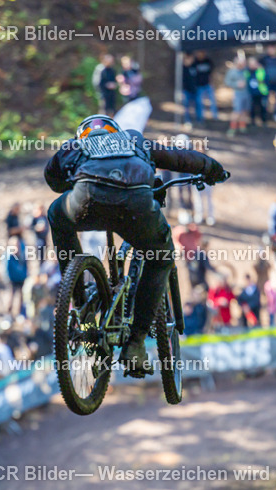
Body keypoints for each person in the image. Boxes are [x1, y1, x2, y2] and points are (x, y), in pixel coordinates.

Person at [45, 114, 227, 377]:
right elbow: (180, 158)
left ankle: (79, 297)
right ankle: (136, 343)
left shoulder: (75, 146)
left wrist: (71, 180)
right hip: (135, 206)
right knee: (161, 258)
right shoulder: (133, 139)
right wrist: (214, 170)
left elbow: (52, 179)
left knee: (56, 216)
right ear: (114, 130)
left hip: (85, 201)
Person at [225, 56, 249, 137]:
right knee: (237, 112)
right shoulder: (232, 72)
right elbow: (227, 82)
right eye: (240, 63)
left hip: (247, 93)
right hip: (237, 94)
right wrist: (236, 84)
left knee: (245, 111)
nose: (242, 65)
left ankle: (242, 126)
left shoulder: (245, 70)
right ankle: (232, 128)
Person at [193, 51, 218, 123]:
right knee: (199, 102)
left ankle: (214, 116)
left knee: (212, 101)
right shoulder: (195, 62)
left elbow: (212, 72)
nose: (200, 54)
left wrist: (212, 81)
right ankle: (200, 118)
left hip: (208, 84)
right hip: (199, 86)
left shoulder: (208, 61)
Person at [260, 45, 276, 120]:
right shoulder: (264, 59)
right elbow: (256, 63)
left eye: (272, 49)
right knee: (265, 99)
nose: (271, 51)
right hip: (266, 83)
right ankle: (265, 115)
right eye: (269, 49)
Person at [244, 56, 269, 127]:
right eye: (251, 64)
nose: (252, 65)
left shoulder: (261, 70)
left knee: (262, 107)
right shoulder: (247, 71)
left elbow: (264, 80)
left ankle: (263, 121)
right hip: (252, 93)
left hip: (261, 92)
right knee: (252, 107)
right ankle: (252, 121)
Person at [181, 53, 200, 128]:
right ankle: (187, 121)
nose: (191, 60)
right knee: (186, 107)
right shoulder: (181, 69)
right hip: (186, 91)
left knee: (197, 105)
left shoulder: (194, 66)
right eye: (190, 59)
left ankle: (198, 120)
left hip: (194, 90)